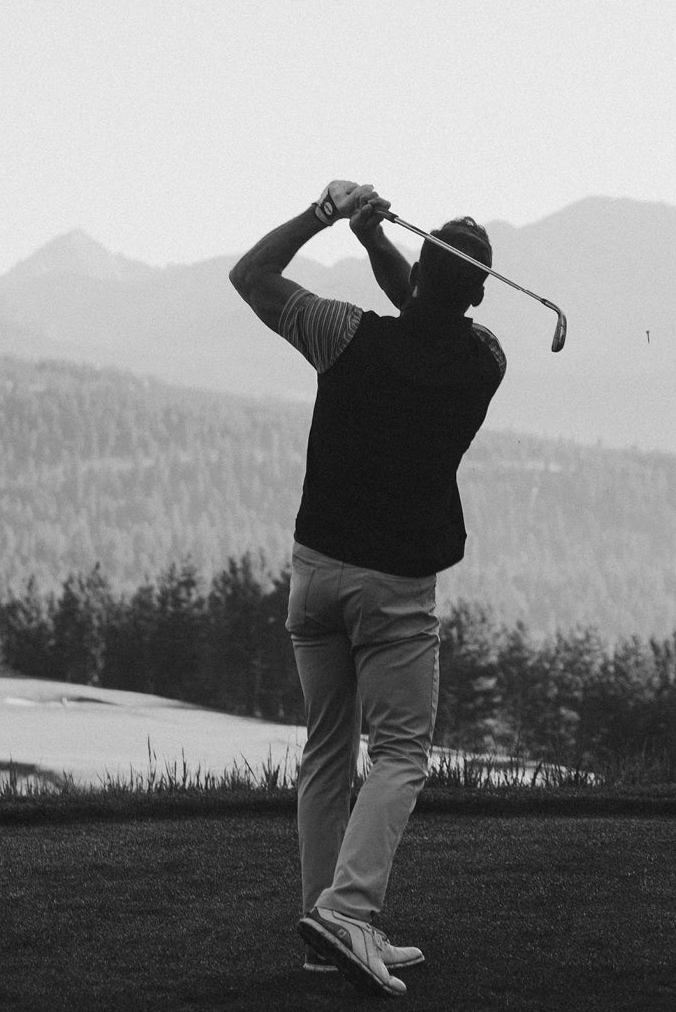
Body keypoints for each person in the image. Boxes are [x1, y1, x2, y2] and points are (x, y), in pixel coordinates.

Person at [228, 179, 506, 998]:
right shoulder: (483, 359)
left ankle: (326, 932)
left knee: (326, 752)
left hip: (315, 575)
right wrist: (376, 243)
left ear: (420, 267)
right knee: (400, 756)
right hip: (395, 589)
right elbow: (429, 314)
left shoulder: (341, 334)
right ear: (481, 290)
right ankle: (348, 910)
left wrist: (336, 220)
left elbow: (252, 275)